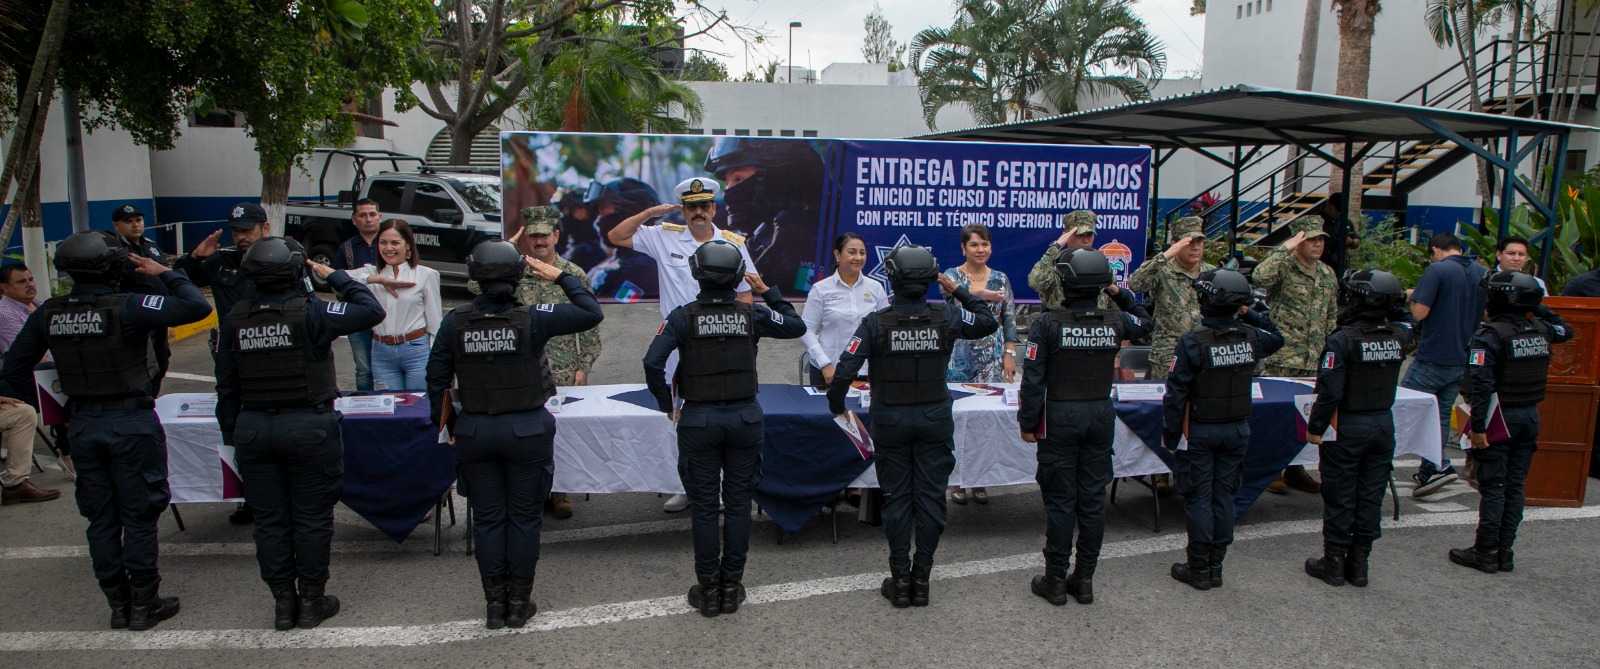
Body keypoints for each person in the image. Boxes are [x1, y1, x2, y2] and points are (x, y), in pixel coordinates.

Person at [0, 230, 211, 630]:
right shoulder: (128, 306)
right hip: (130, 422)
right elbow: (195, 305)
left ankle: (118, 604)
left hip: (83, 424)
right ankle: (145, 603)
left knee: (101, 519)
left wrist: (60, 406)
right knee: (139, 514)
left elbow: (14, 368)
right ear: (112, 268)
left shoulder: (49, 313)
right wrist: (164, 271)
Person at [427, 239, 604, 629]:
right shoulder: (533, 318)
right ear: (520, 275)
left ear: (474, 276)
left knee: (489, 520)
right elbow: (591, 312)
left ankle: (495, 605)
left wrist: (450, 429)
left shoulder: (454, 321)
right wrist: (561, 277)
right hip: (526, 431)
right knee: (524, 520)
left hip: (476, 431)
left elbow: (436, 381)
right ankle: (519, 603)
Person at [214, 237, 384, 630]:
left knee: (270, 520)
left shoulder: (236, 318)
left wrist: (234, 437)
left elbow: (226, 386)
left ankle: (283, 602)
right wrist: (336, 276)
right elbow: (370, 310)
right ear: (296, 271)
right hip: (308, 426)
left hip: (254, 430)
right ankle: (311, 599)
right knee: (311, 517)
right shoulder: (312, 311)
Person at [826, 245, 998, 609]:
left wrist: (836, 405)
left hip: (891, 420)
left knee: (898, 498)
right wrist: (958, 290)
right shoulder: (947, 315)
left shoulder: (876, 322)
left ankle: (901, 579)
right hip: (934, 419)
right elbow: (987, 320)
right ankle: (921, 580)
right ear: (931, 279)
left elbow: (844, 370)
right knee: (931, 499)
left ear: (892, 279)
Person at [643, 240, 805, 618]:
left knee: (703, 507)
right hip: (744, 419)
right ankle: (731, 588)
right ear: (737, 277)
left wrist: (667, 405)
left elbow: (652, 362)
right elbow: (796, 325)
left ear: (696, 273)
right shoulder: (752, 314)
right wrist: (768, 292)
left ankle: (707, 589)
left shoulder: (682, 317)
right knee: (737, 505)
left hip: (699, 420)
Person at [608, 176, 755, 514]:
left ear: (714, 208)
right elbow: (616, 236)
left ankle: (720, 486)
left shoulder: (732, 243)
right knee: (678, 417)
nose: (697, 212)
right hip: (679, 343)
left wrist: (742, 337)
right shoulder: (663, 235)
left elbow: (746, 294)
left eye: (704, 206)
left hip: (720, 340)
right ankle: (685, 486)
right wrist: (650, 213)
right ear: (683, 211)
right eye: (691, 207)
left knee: (719, 414)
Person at [1018, 249, 1153, 606]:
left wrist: (1028, 423)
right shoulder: (1116, 319)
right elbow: (1145, 320)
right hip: (1099, 415)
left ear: (1064, 280)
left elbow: (1033, 381)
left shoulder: (1047, 323)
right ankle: (1085, 580)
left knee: (1061, 501)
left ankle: (1055, 580)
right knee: (1092, 502)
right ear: (1101, 283)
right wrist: (1117, 292)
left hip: (1061, 416)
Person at [468, 206, 602, 519]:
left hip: (562, 367)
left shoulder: (572, 274)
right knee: (524, 432)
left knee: (560, 432)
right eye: (533, 236)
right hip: (522, 368)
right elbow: (475, 285)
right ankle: (529, 492)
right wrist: (505, 249)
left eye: (544, 235)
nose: (539, 241)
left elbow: (591, 324)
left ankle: (559, 491)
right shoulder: (515, 270)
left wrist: (584, 366)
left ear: (556, 235)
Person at [1163, 269, 1284, 591]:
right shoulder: (1252, 337)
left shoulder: (1193, 342)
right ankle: (1216, 566)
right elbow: (1278, 336)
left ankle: (1198, 567)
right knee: (1224, 496)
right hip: (1236, 430)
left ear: (1205, 301)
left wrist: (1172, 436)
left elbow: (1176, 394)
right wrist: (1248, 312)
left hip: (1201, 431)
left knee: (1200, 498)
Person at [1449, 271, 1573, 574]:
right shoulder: (1542, 329)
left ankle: (1485, 551)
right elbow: (1566, 329)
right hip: (1529, 416)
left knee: (1494, 487)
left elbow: (1482, 386)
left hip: (1497, 418)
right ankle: (1504, 552)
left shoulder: (1490, 335)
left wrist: (1478, 428)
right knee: (1514, 486)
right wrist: (1536, 306)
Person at [1302, 269, 1414, 588]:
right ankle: (1360, 564)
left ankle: (1334, 562)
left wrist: (1315, 427)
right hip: (1382, 425)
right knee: (1370, 496)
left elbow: (1330, 391)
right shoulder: (1398, 336)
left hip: (1348, 426)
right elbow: (1409, 321)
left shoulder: (1342, 340)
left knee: (1340, 495)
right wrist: (1394, 304)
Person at [173, 202, 275, 526]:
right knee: (231, 420)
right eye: (236, 231)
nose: (241, 236)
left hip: (272, 353)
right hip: (231, 357)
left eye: (247, 230)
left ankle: (277, 492)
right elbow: (179, 280)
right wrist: (194, 257)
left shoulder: (283, 258)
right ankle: (247, 496)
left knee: (273, 421)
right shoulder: (222, 262)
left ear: (265, 228)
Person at [1127, 215, 1215, 496]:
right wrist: (1166, 255)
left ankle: (1191, 470)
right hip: (1169, 356)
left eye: (1200, 242)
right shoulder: (1163, 269)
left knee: (1200, 414)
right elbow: (1135, 283)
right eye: (1189, 242)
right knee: (1166, 414)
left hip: (1204, 357)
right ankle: (1160, 470)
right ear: (1176, 243)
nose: (1196, 247)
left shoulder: (1211, 273)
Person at [1252, 215, 1339, 495]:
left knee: (1306, 418)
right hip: (1284, 357)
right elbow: (1259, 277)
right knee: (1277, 417)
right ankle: (1271, 470)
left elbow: (1331, 315)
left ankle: (1295, 469)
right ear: (1298, 242)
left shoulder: (1326, 273)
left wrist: (1330, 350)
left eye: (1320, 239)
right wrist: (1284, 249)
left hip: (1313, 358)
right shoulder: (1284, 266)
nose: (1318, 244)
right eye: (1311, 239)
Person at [941, 223, 1018, 505]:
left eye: (985, 244)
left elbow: (1009, 318)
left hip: (991, 359)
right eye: (974, 244)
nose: (980, 249)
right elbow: (956, 294)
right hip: (958, 356)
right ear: (964, 248)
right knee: (958, 419)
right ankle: (957, 479)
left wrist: (1009, 353)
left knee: (986, 419)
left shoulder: (1000, 278)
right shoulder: (951, 276)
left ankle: (980, 478)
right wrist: (982, 295)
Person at [1406, 233, 1488, 497]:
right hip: (1462, 358)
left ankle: (1438, 465)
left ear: (1435, 250)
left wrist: (1412, 297)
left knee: (1399, 406)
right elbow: (1487, 314)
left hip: (1433, 356)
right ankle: (1432, 468)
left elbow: (1420, 313)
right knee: (1439, 415)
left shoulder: (1437, 270)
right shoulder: (1481, 272)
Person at [702, 137, 826, 293]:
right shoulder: (740, 242)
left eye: (738, 179)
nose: (728, 192)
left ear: (777, 180)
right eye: (727, 183)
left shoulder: (824, 244)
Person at [346, 220, 442, 391]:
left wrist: (436, 359)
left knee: (419, 403)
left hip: (416, 351)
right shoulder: (370, 272)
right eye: (383, 242)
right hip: (381, 351)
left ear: (408, 245)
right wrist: (378, 279)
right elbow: (334, 276)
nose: (388, 248)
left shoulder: (426, 274)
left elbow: (435, 324)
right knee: (389, 404)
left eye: (395, 243)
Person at [0, 264, 59, 504]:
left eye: (30, 279)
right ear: (4, 288)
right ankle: (69, 449)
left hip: (29, 377)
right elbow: (26, 358)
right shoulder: (4, 314)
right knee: (56, 380)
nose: (30, 285)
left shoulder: (39, 305)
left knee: (25, 410)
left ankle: (15, 485)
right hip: (17, 377)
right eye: (21, 282)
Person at [802, 233, 887, 388]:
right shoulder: (821, 289)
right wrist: (825, 364)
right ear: (837, 255)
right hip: (829, 372)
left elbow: (885, 329)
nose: (858, 257)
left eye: (862, 253)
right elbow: (806, 330)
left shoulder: (875, 288)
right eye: (852, 252)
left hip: (867, 372)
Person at [111, 204, 173, 395]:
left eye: (138, 220)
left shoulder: (151, 246)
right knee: (143, 366)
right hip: (137, 320)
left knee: (161, 360)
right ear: (116, 225)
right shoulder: (116, 251)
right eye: (128, 221)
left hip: (159, 316)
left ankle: (152, 399)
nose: (135, 225)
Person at [331, 198, 382, 391]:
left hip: (388, 315)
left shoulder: (390, 244)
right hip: (357, 316)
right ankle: (365, 403)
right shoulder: (347, 248)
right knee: (364, 369)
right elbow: (335, 282)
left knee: (387, 367)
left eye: (372, 214)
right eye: (363, 215)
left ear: (380, 217)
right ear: (354, 220)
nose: (368, 219)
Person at [1027, 210, 1116, 311]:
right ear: (1066, 236)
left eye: (1089, 235)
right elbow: (1035, 283)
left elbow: (1113, 306)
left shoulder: (1100, 264)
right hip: (1061, 319)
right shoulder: (1055, 263)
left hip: (1096, 320)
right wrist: (1056, 246)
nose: (1085, 240)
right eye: (1079, 235)